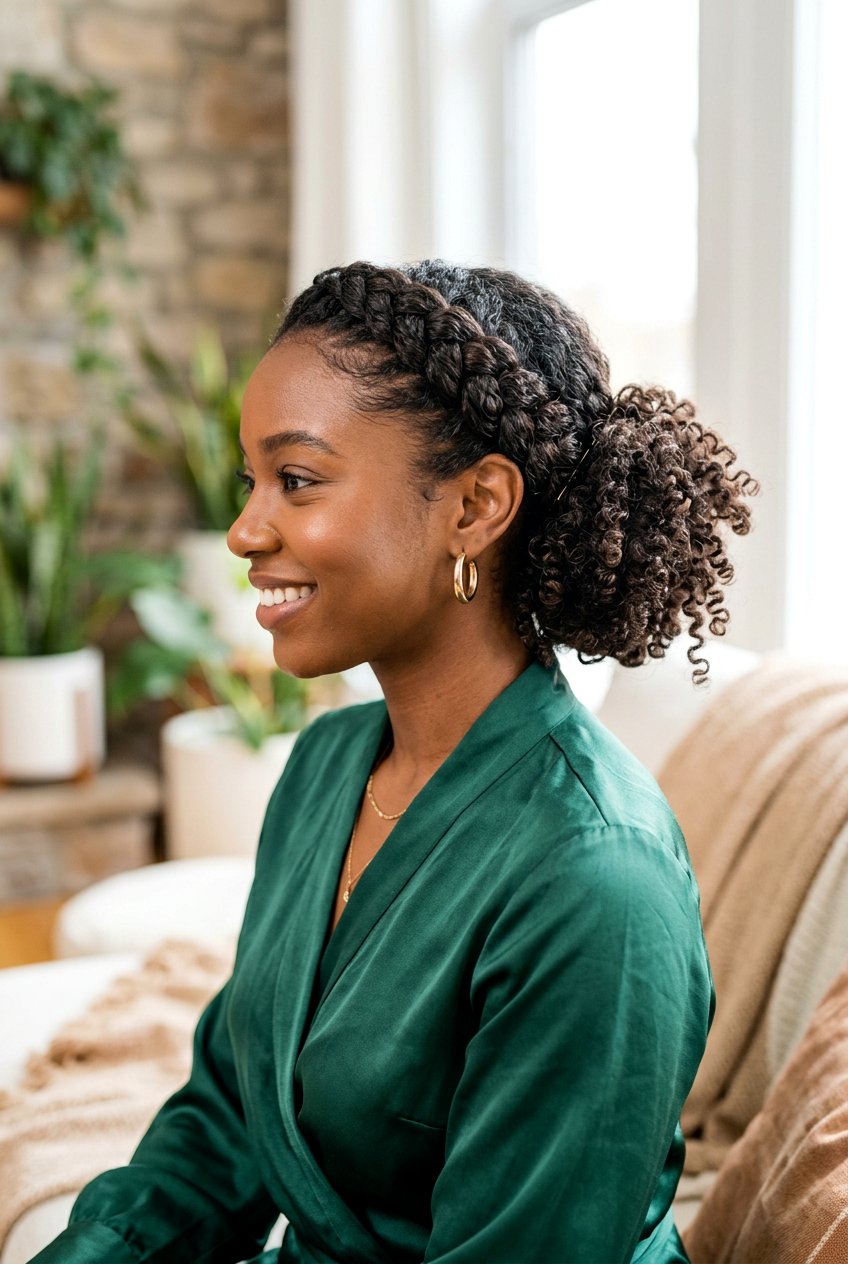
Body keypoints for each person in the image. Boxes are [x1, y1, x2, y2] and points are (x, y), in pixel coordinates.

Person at [33, 259, 758, 1263]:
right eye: (251, 479)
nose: (245, 528)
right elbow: (227, 1115)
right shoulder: (325, 767)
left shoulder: (595, 881)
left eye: (297, 479)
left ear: (473, 508)